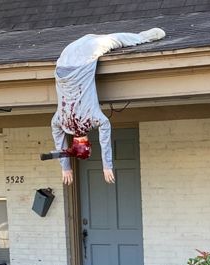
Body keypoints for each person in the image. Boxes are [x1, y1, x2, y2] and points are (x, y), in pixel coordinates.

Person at [51, 29, 166, 186]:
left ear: (87, 144)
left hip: (84, 58)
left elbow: (105, 138)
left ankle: (144, 37)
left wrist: (107, 166)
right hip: (64, 60)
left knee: (118, 39)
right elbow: (58, 141)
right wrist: (65, 168)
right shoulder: (61, 121)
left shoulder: (92, 119)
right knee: (91, 37)